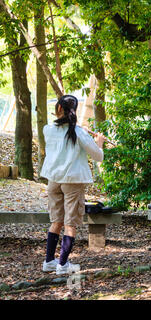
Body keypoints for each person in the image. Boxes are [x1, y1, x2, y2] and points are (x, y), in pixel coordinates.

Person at [40, 95, 106, 275]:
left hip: (53, 180)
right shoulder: (79, 132)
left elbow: (61, 130)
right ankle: (63, 265)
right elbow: (98, 156)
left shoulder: (48, 129)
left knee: (56, 221)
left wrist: (79, 129)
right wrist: (99, 142)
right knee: (70, 224)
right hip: (73, 182)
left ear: (59, 108)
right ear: (74, 111)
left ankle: (49, 262)